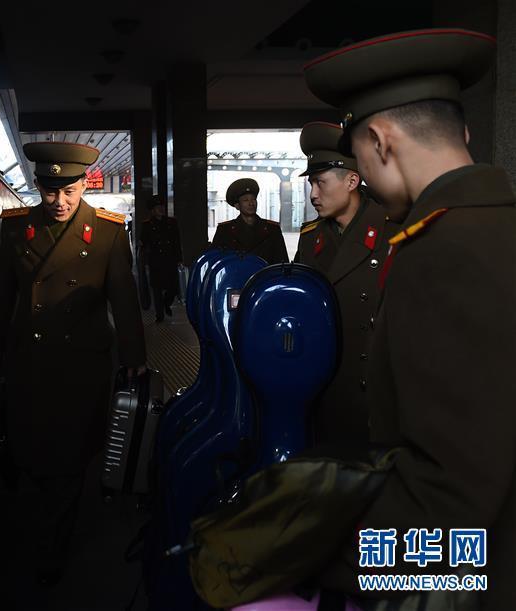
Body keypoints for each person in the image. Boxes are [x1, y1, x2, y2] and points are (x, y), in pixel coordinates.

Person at [304, 29, 515, 608]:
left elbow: (451, 495)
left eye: (360, 159)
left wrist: (318, 558)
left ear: (379, 142)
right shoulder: (494, 224)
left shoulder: (440, 251)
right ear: (463, 134)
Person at [0, 141, 147, 587]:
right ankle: (46, 523)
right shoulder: (17, 227)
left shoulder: (108, 231)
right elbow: (2, 295)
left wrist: (134, 357)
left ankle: (53, 548)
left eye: (69, 191)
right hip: (28, 361)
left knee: (68, 458)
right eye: (50, 191)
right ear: (38, 186)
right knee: (31, 451)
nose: (60, 201)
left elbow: (123, 299)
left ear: (85, 184)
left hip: (81, 365)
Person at [294, 121, 398, 445]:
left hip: (372, 396)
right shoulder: (310, 238)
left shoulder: (392, 232)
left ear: (352, 181)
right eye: (311, 184)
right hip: (323, 389)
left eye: (320, 183)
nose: (313, 194)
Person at [211, 178, 289, 264]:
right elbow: (215, 262)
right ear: (237, 206)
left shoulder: (273, 229)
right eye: (246, 200)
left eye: (253, 199)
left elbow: (283, 263)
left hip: (265, 272)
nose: (251, 203)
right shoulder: (225, 230)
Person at [138, 194, 183, 322]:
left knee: (172, 288)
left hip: (170, 260)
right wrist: (143, 260)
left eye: (162, 206)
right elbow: (143, 243)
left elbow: (176, 242)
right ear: (152, 210)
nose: (161, 209)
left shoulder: (171, 222)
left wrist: (179, 259)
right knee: (156, 289)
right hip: (155, 261)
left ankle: (166, 303)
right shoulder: (147, 225)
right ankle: (160, 315)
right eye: (158, 207)